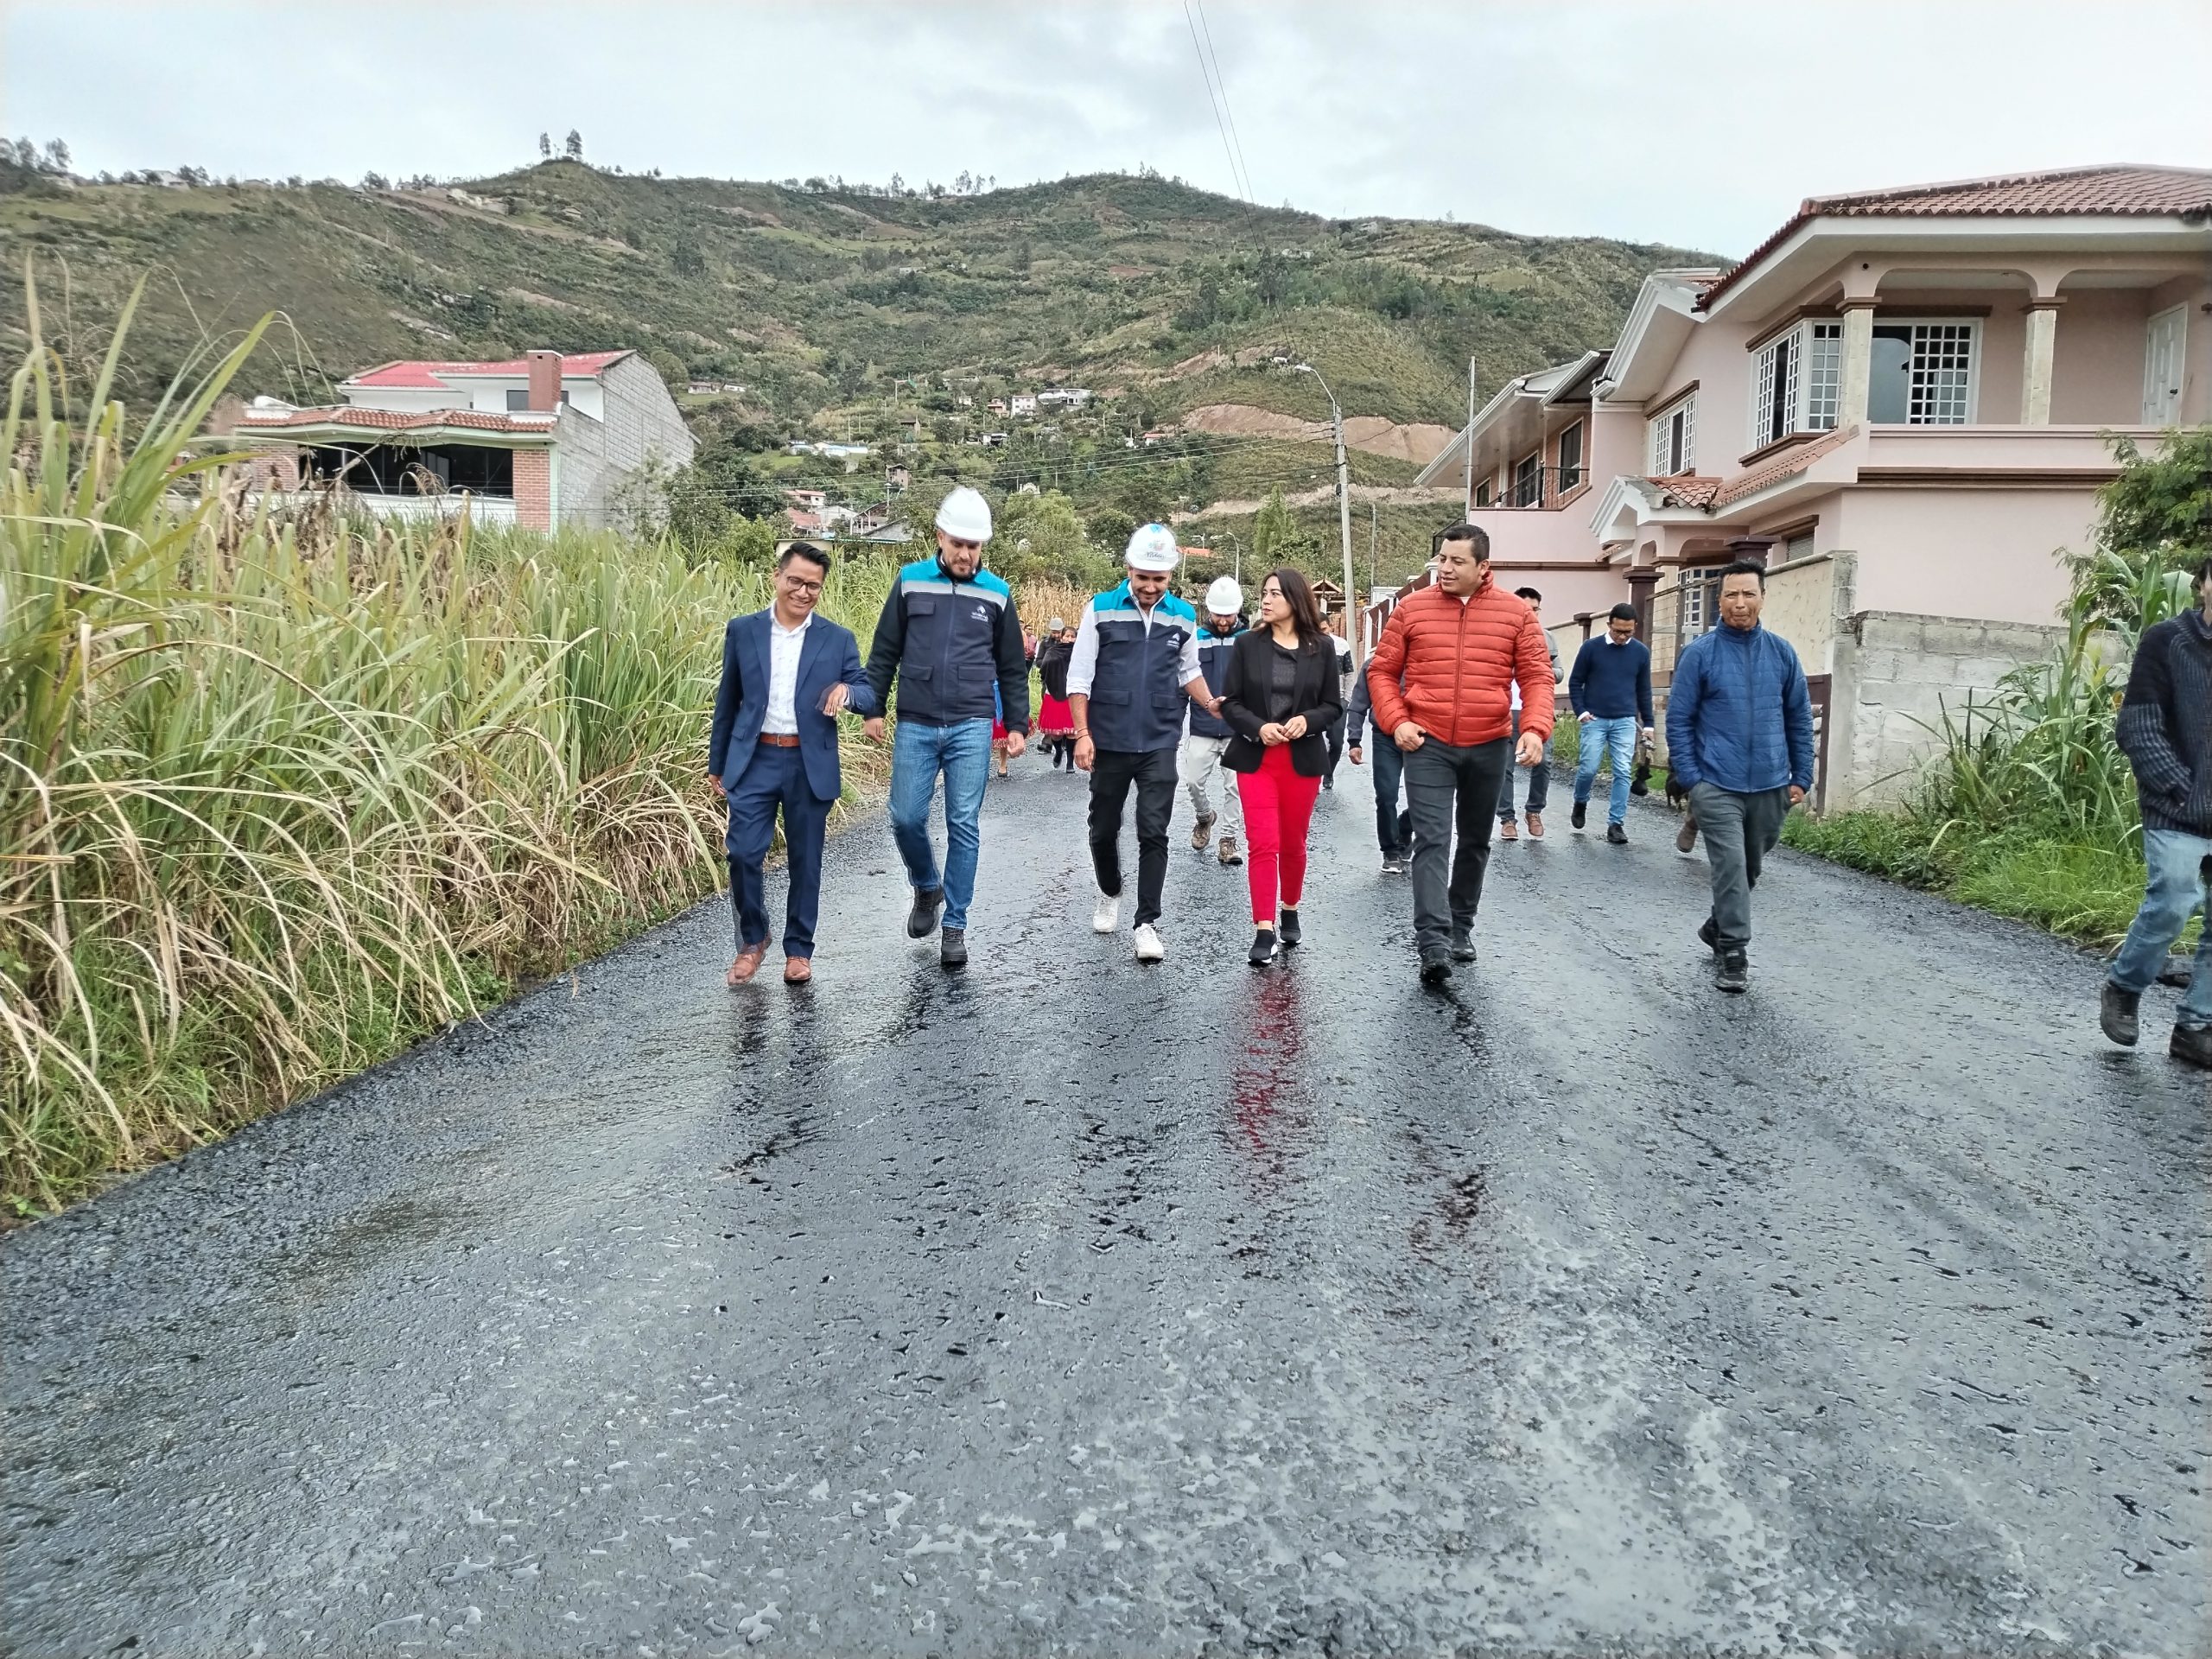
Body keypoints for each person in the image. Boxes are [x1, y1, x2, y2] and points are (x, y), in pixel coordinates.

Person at [1367, 524, 1553, 982]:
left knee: (1474, 840)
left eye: (1456, 561)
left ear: (1483, 566)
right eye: (1442, 560)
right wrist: (1397, 720)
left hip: (1489, 744)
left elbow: (1536, 676)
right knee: (1432, 840)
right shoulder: (1411, 609)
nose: (1445, 569)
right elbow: (1382, 672)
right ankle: (1432, 942)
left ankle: (1460, 927)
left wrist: (1534, 728)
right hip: (1427, 743)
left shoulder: (1516, 614)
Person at [864, 486, 1032, 969]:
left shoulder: (997, 593)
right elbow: (885, 649)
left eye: (973, 545)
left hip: (972, 724)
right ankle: (926, 886)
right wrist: (873, 708)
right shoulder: (910, 581)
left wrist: (1016, 724)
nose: (964, 553)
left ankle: (955, 925)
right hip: (915, 722)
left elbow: (1011, 666)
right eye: (957, 543)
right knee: (905, 817)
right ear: (940, 537)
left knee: (963, 824)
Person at [708, 543, 879, 985]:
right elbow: (728, 699)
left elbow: (867, 692)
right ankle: (753, 939)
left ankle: (799, 949)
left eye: (813, 586)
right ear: (777, 577)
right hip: (754, 759)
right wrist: (717, 761)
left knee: (806, 860)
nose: (803, 592)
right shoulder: (743, 630)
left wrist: (847, 692)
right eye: (796, 581)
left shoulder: (836, 638)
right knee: (743, 852)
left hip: (808, 761)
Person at [1068, 524, 1219, 963]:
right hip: (1109, 740)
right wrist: (1083, 734)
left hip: (1159, 739)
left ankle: (1147, 922)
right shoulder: (1100, 608)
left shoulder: (1183, 616)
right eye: (1143, 577)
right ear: (1128, 569)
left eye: (1160, 578)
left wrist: (1211, 703)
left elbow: (1188, 672)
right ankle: (1109, 889)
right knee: (1103, 827)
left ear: (1170, 575)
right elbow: (1080, 675)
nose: (1151, 587)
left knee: (1154, 829)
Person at [1664, 559, 1815, 994]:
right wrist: (1692, 778)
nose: (1740, 603)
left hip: (1771, 782)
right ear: (1720, 601)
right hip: (1716, 782)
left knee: (1748, 867)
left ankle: (1717, 924)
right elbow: (1679, 719)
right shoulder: (1700, 654)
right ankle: (1734, 951)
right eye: (1731, 594)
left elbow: (1798, 718)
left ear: (1763, 598)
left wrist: (1801, 775)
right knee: (1730, 864)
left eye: (1749, 593)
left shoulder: (1782, 653)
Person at [2101, 551, 2211, 1068]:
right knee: (2173, 899)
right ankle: (2125, 986)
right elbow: (2138, 726)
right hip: (2177, 807)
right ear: (2203, 584)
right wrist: (2179, 788)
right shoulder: (2167, 641)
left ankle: (2196, 1027)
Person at [1220, 569, 1344, 964]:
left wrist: (1308, 720)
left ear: (1295, 599)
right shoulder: (1247, 644)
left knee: (1292, 843)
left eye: (1275, 593)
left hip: (1301, 760)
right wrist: (1258, 727)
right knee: (1262, 842)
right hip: (1256, 758)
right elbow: (1231, 702)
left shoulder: (1321, 647)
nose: (1266, 599)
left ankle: (1290, 907)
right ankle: (1264, 928)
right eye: (1264, 593)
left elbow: (1333, 706)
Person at [1567, 602, 1656, 845]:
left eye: (1628, 632)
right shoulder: (1591, 648)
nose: (1622, 636)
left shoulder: (1640, 653)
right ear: (1609, 625)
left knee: (1622, 771)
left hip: (1625, 720)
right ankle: (1581, 801)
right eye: (1618, 631)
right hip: (1594, 719)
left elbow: (1644, 690)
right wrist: (1581, 712)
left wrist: (1648, 724)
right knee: (1588, 768)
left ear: (1634, 627)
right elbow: (1575, 682)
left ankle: (1616, 824)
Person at [1181, 576, 1247, 866]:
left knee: (1236, 787)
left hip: (1237, 730)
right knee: (1193, 781)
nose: (1222, 620)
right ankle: (1204, 816)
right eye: (1218, 614)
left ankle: (1228, 841)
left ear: (1238, 610)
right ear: (1209, 610)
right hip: (1202, 725)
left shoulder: (1248, 640)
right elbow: (1183, 679)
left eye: (1228, 614)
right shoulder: (1195, 639)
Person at [1496, 585, 1562, 841]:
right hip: (1505, 710)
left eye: (1535, 609)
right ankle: (1507, 819)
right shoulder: (1500, 635)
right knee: (1504, 767)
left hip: (1537, 709)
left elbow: (1559, 672)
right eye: (1526, 609)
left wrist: (1538, 669)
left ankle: (1534, 811)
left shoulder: (1547, 637)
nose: (1531, 614)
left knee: (1543, 763)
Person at [1345, 665, 1413, 874]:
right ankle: (1391, 851)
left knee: (1426, 798)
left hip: (1421, 736)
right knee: (1386, 795)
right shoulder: (1374, 665)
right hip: (1385, 737)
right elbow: (1358, 704)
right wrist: (1354, 740)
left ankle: (1404, 826)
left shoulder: (1427, 659)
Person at [1035, 619, 1078, 770]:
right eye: (1067, 636)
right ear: (1062, 637)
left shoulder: (1080, 653)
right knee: (1056, 732)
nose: (1069, 639)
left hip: (1073, 694)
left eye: (1073, 636)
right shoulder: (1052, 651)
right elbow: (1043, 668)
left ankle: (1070, 762)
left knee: (1072, 730)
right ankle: (1058, 751)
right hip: (1053, 692)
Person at [1320, 613, 1356, 789]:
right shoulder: (1306, 645)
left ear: (1330, 627)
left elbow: (1349, 673)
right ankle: (1312, 778)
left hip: (1338, 701)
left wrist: (1346, 699)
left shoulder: (1341, 645)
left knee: (1336, 741)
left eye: (1324, 629)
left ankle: (1328, 772)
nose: (1321, 634)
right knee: (1312, 743)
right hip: (1313, 702)